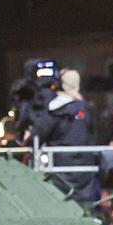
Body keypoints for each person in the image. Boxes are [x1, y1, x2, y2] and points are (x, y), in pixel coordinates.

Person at [33, 68, 95, 202]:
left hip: (60, 165)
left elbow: (39, 134)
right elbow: (91, 133)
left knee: (60, 201)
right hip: (84, 164)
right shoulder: (85, 108)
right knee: (84, 204)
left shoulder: (55, 109)